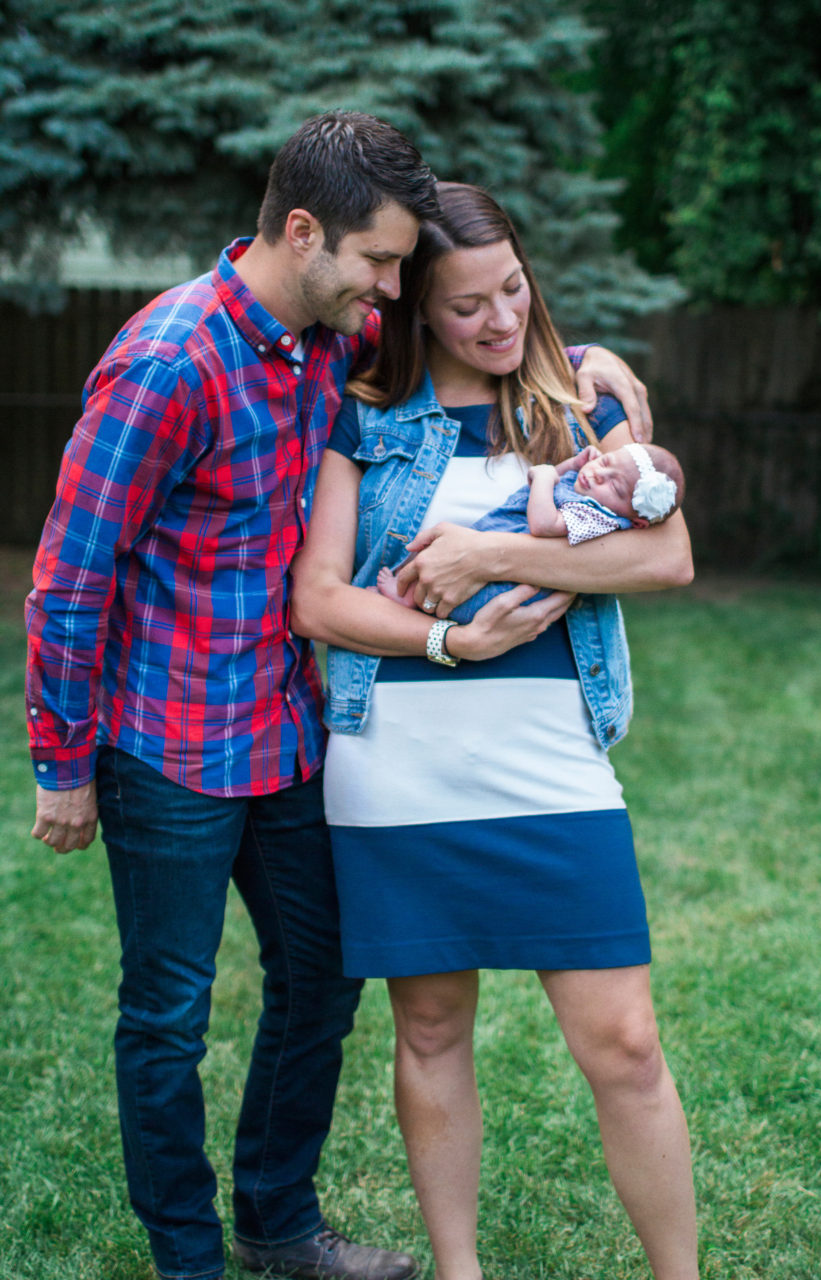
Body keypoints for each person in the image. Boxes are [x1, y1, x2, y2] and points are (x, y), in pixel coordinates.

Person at [24, 111, 652, 1280]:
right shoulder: (167, 361)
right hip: (167, 742)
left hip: (284, 728)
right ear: (303, 232)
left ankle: (275, 1220)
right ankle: (188, 1256)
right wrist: (63, 761)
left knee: (323, 976)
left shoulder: (328, 334)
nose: (392, 284)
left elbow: (491, 326)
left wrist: (608, 366)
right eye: (376, 259)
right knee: (167, 1011)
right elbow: (70, 575)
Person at [290, 181, 698, 1280]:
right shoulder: (366, 415)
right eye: (467, 305)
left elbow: (664, 556)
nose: (501, 319)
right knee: (429, 1028)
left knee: (624, 1041)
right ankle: (460, 1271)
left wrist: (491, 554)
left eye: (513, 288)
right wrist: (443, 642)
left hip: (550, 760)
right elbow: (319, 599)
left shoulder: (580, 403)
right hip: (400, 767)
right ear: (418, 310)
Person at [375, 440, 685, 621]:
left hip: (504, 586)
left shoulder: (599, 517)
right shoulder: (590, 491)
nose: (597, 474)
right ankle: (409, 591)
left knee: (464, 590)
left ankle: (410, 602)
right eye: (604, 462)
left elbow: (544, 525)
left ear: (636, 520)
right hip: (499, 535)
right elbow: (559, 478)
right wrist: (570, 464)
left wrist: (545, 477)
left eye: (614, 484)